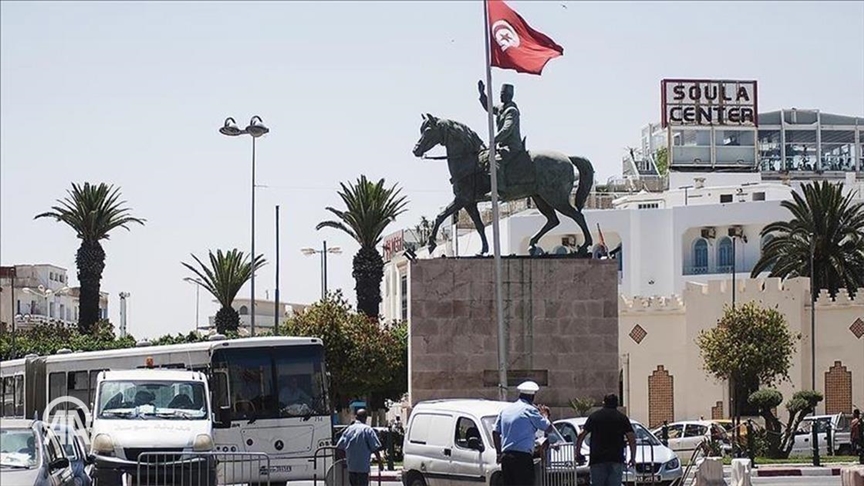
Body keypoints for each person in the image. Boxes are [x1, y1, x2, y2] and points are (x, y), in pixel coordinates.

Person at [492, 380, 556, 486]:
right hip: (522, 458)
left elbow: (495, 432)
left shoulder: (506, 410)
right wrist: (544, 415)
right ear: (532, 396)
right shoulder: (530, 410)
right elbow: (548, 428)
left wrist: (498, 453)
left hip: (506, 457)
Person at [574, 394, 636, 486]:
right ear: (617, 404)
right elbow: (632, 438)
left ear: (604, 403)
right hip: (616, 458)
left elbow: (581, 435)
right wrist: (632, 457)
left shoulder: (594, 417)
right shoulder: (622, 418)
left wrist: (577, 452)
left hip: (597, 459)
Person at [477, 80, 524, 194]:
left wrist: (494, 140)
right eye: (501, 94)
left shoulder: (512, 111)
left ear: (510, 96)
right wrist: (482, 94)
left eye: (504, 95)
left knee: (496, 161)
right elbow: (489, 107)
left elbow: (507, 129)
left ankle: (500, 190)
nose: (501, 97)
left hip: (512, 147)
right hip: (503, 147)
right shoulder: (501, 108)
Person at [335, 408, 383, 486]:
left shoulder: (348, 430)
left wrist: (343, 461)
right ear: (365, 418)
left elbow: (339, 447)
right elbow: (375, 448)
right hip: (363, 468)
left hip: (351, 467)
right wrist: (380, 463)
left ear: (356, 417)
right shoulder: (367, 430)